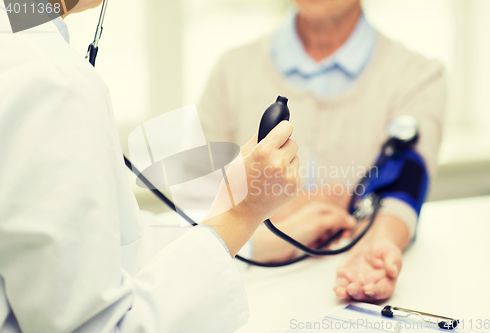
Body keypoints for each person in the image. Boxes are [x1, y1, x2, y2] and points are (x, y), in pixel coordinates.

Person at [0, 1, 300, 332]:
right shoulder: (52, 83)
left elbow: (115, 244)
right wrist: (243, 215)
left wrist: (243, 230)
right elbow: (97, 326)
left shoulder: (22, 42)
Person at [197, 0, 446, 301]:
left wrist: (377, 249)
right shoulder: (230, 71)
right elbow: (198, 204)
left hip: (338, 297)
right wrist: (287, 209)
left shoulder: (419, 76)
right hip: (246, 295)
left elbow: (403, 189)